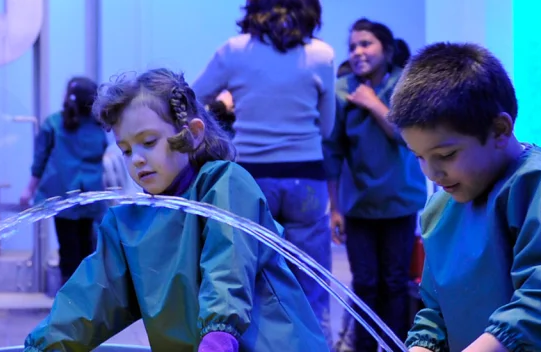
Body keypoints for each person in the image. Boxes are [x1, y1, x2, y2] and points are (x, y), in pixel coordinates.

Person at [25, 69, 329, 351]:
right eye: (126, 150)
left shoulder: (224, 185)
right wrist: (43, 346)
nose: (137, 160)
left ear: (193, 134)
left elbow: (228, 265)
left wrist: (218, 334)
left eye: (148, 142)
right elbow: (90, 298)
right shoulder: (128, 223)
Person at [391, 43, 541, 352]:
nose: (432, 173)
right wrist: (423, 346)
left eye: (446, 154)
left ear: (500, 129)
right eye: (419, 157)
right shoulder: (440, 209)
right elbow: (436, 310)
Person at [190, 0, 339, 316]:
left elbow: (190, 99)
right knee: (311, 281)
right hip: (307, 178)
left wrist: (222, 112)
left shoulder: (234, 51)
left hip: (251, 177)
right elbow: (328, 127)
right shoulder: (321, 55)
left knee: (251, 275)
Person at [323, 18, 425, 351]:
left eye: (366, 44)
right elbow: (333, 152)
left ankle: (396, 346)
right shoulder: (341, 90)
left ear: (386, 48)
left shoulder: (405, 85)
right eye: (352, 46)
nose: (357, 52)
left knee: (395, 283)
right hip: (358, 207)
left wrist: (373, 103)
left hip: (400, 201)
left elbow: (406, 135)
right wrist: (335, 208)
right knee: (365, 284)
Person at [19, 77, 108, 282]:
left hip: (63, 196)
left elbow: (40, 161)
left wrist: (29, 190)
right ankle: (87, 301)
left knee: (68, 249)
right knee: (89, 249)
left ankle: (69, 301)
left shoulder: (55, 123)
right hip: (91, 197)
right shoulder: (100, 127)